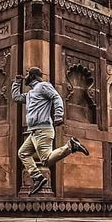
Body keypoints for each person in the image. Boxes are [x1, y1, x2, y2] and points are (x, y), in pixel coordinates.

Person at [12, 67, 89, 196]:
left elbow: (56, 97)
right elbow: (16, 98)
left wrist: (58, 115)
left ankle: (70, 146)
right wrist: (16, 82)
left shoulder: (43, 86)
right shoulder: (31, 93)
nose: (25, 77)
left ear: (33, 76)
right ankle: (38, 177)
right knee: (23, 153)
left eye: (27, 75)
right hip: (34, 132)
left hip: (43, 129)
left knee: (46, 161)